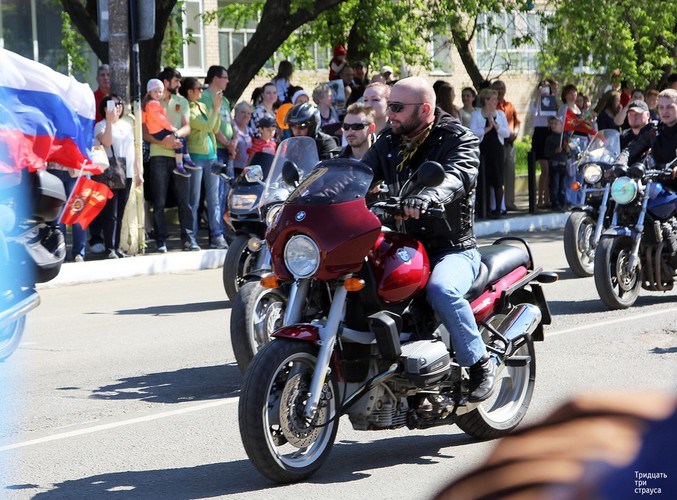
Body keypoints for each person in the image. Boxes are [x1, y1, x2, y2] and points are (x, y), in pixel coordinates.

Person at [361, 76, 495, 402]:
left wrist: (428, 196)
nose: (389, 113)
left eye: (396, 107)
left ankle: (480, 363)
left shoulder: (458, 139)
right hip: (404, 246)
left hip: (451, 249)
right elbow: (360, 174)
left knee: (441, 289)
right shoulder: (389, 139)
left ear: (423, 109)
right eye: (389, 105)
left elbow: (458, 174)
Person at [142, 66, 195, 254]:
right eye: (176, 81)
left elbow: (187, 127)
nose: (179, 84)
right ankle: (160, 240)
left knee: (184, 200)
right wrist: (163, 142)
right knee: (159, 200)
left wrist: (175, 137)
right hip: (158, 155)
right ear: (165, 82)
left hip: (179, 152)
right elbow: (144, 132)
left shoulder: (182, 101)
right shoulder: (152, 101)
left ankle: (188, 239)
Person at [179, 76, 225, 251]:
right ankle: (191, 237)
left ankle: (217, 235)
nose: (201, 91)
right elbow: (206, 126)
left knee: (214, 199)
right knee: (194, 200)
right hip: (196, 156)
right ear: (189, 91)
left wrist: (216, 110)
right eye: (198, 88)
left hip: (211, 155)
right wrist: (216, 109)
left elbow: (214, 127)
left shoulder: (203, 106)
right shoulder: (187, 109)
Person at [94, 94, 142, 258]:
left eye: (120, 104)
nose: (118, 107)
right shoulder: (100, 125)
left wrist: (138, 172)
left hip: (126, 173)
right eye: (114, 105)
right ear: (105, 108)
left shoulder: (126, 125)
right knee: (111, 213)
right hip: (111, 174)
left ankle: (116, 246)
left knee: (120, 212)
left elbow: (132, 150)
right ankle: (110, 248)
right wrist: (109, 121)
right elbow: (106, 142)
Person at [200, 65, 236, 242]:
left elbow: (230, 122)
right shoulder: (206, 97)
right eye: (225, 77)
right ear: (215, 78)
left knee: (227, 194)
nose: (227, 81)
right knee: (216, 194)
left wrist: (234, 141)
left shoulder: (225, 99)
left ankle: (225, 229)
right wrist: (227, 143)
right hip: (217, 150)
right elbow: (212, 125)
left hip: (229, 151)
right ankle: (217, 233)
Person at [616, 89, 677, 182]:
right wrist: (619, 164)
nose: (665, 111)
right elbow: (631, 149)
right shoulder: (654, 129)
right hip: (656, 183)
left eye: (669, 107)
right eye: (661, 107)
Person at [470, 88, 510, 218]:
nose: (496, 102)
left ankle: (498, 209)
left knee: (498, 179)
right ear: (486, 100)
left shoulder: (500, 114)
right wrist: (487, 128)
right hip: (483, 150)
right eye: (493, 99)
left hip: (497, 150)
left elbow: (507, 133)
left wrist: (496, 125)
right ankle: (484, 209)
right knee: (483, 179)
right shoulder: (476, 114)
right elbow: (472, 132)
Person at [142, 78, 195, 178]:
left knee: (181, 140)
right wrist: (172, 128)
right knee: (180, 141)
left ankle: (185, 160)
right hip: (157, 133)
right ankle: (181, 164)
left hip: (156, 131)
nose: (158, 94)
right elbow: (161, 119)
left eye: (160, 92)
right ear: (149, 92)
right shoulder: (153, 104)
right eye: (155, 91)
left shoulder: (149, 103)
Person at [492, 80, 521, 212]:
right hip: (498, 142)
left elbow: (517, 122)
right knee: (498, 175)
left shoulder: (509, 105)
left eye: (502, 88)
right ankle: (499, 204)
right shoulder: (492, 105)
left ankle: (510, 202)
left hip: (510, 143)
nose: (500, 91)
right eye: (497, 88)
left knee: (510, 174)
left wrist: (515, 133)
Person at [531, 80, 557, 208]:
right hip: (540, 134)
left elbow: (555, 118)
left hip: (549, 132)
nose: (545, 90)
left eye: (547, 88)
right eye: (543, 87)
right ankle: (540, 199)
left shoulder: (553, 102)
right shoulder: (535, 101)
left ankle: (547, 198)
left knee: (550, 170)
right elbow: (534, 112)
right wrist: (538, 96)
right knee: (544, 170)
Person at [543, 116, 571, 212]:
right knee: (554, 184)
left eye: (556, 124)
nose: (553, 126)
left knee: (562, 185)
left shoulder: (565, 138)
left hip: (563, 164)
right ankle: (555, 203)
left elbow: (570, 154)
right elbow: (546, 153)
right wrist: (555, 151)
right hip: (555, 164)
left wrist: (568, 151)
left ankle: (562, 202)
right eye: (552, 124)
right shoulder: (550, 139)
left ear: (562, 126)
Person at [232, 101, 253, 171]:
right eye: (243, 112)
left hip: (246, 170)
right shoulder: (231, 127)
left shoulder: (250, 130)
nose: (246, 115)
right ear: (236, 113)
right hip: (232, 167)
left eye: (249, 113)